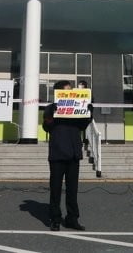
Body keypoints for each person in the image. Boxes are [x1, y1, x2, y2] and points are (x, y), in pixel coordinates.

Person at [43, 80, 91, 231]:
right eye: (67, 91)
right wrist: (54, 113)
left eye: (72, 91)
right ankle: (55, 219)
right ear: (58, 93)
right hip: (57, 153)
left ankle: (72, 218)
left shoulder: (77, 107)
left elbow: (82, 125)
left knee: (73, 189)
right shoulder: (50, 108)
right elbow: (46, 126)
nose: (71, 93)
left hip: (73, 153)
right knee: (55, 188)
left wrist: (89, 111)